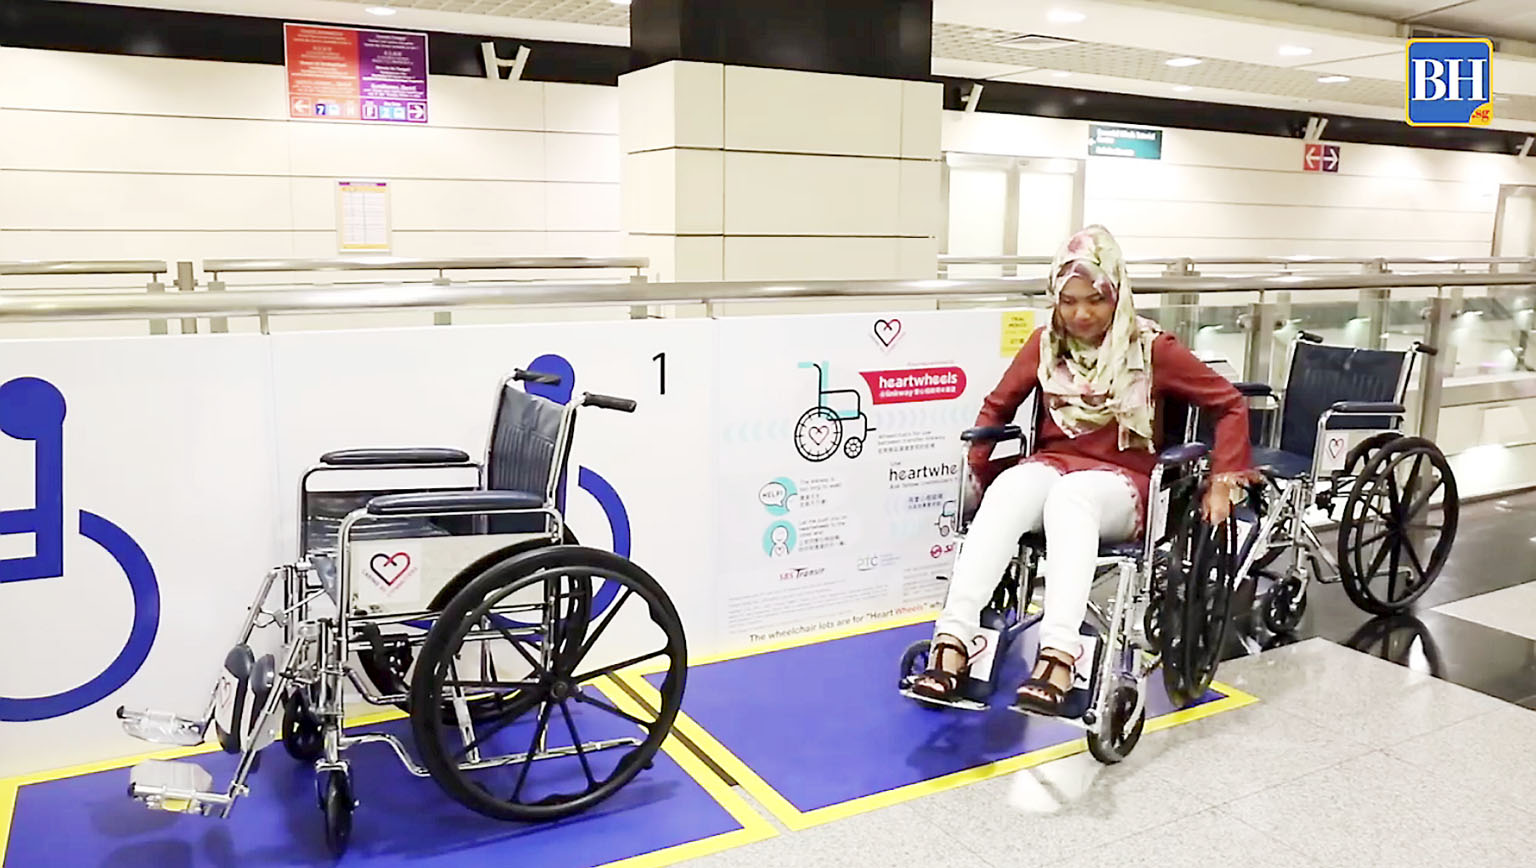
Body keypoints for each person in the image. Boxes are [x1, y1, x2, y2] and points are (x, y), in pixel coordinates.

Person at [911, 224, 1255, 715]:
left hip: (1126, 481)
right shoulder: (1045, 344)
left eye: (1095, 300)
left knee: (1072, 498)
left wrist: (1222, 481)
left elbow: (1229, 403)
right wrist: (977, 475)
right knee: (1011, 487)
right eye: (1068, 301)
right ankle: (953, 640)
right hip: (1055, 466)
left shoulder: (1152, 349)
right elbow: (997, 406)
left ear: (1116, 293)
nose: (1080, 314)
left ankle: (1059, 654)